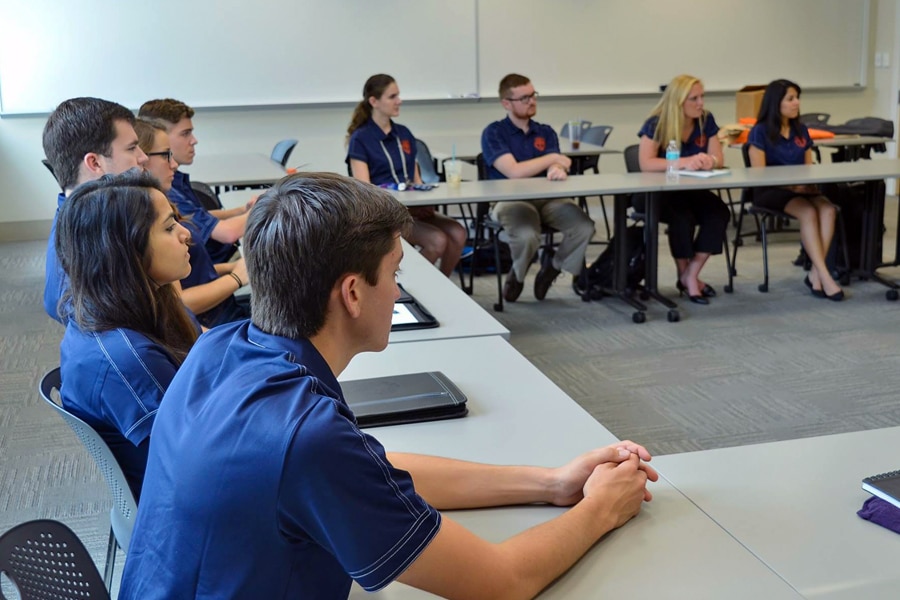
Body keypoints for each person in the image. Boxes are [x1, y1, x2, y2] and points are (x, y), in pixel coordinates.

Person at [119, 172, 657, 599]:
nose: (398, 290)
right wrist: (599, 509)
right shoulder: (306, 435)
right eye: (396, 271)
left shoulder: (224, 347)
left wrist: (553, 483)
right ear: (352, 293)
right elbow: (501, 582)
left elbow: (372, 472)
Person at [56, 170, 198, 501]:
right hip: (179, 510)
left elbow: (202, 349)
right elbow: (197, 466)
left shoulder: (130, 303)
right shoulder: (129, 360)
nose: (186, 234)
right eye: (169, 227)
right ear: (125, 250)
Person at [482, 73, 595, 302]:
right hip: (510, 199)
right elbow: (513, 172)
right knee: (526, 235)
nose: (532, 101)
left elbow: (559, 164)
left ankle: (552, 267)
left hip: (548, 198)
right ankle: (519, 273)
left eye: (533, 95)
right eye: (524, 98)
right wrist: (552, 158)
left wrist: (557, 168)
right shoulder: (494, 132)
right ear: (506, 103)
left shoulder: (545, 131)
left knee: (584, 226)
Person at [347, 74, 467, 277]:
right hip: (386, 216)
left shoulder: (404, 133)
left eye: (398, 95)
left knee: (458, 232)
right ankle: (407, 287)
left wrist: (423, 203)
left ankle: (439, 284)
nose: (399, 101)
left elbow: (416, 180)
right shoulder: (361, 138)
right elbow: (364, 190)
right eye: (392, 96)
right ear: (374, 102)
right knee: (437, 240)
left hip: (413, 210)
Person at [134, 117, 251, 326]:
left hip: (219, 309)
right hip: (213, 321)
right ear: (141, 159)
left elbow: (191, 274)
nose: (174, 164)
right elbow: (179, 301)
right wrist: (236, 278)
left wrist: (231, 268)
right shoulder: (145, 218)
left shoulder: (165, 196)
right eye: (165, 155)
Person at [42, 97, 149, 322]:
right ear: (95, 163)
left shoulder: (105, 218)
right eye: (131, 148)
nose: (143, 157)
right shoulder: (73, 260)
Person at [637, 74, 730, 305]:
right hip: (657, 192)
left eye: (702, 97)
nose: (700, 103)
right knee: (682, 218)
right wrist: (684, 162)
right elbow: (646, 163)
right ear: (678, 102)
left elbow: (718, 156)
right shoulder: (657, 123)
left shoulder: (705, 120)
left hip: (690, 190)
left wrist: (710, 161)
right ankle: (686, 277)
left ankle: (691, 274)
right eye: (693, 99)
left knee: (719, 213)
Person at [748, 79, 844, 301]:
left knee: (828, 210)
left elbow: (808, 168)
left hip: (801, 189)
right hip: (772, 191)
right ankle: (825, 276)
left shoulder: (801, 130)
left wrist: (805, 184)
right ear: (775, 103)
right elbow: (759, 175)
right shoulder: (759, 132)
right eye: (790, 99)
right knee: (809, 213)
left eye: (797, 98)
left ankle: (815, 272)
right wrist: (791, 186)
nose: (796, 103)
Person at [138, 98, 250, 264]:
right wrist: (262, 209)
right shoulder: (165, 190)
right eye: (185, 133)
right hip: (220, 263)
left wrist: (240, 210)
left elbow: (196, 216)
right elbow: (228, 233)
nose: (194, 140)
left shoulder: (172, 181)